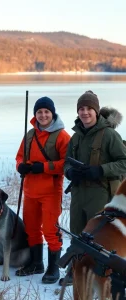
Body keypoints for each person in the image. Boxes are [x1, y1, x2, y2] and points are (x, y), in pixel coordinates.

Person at [59, 90, 126, 286]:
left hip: (101, 194)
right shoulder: (76, 136)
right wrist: (70, 172)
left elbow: (124, 161)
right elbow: (66, 163)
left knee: (99, 239)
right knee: (77, 234)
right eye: (81, 109)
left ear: (96, 111)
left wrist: (100, 170)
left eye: (89, 108)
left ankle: (102, 276)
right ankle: (76, 272)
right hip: (79, 194)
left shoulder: (109, 135)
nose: (85, 112)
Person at [15, 96, 70, 284]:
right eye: (39, 112)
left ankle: (53, 268)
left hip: (50, 192)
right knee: (31, 228)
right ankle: (36, 263)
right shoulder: (29, 134)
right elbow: (19, 157)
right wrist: (20, 166)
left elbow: (67, 164)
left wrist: (44, 167)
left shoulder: (62, 136)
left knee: (50, 229)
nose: (43, 115)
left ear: (52, 113)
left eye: (46, 112)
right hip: (30, 190)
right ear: (35, 114)